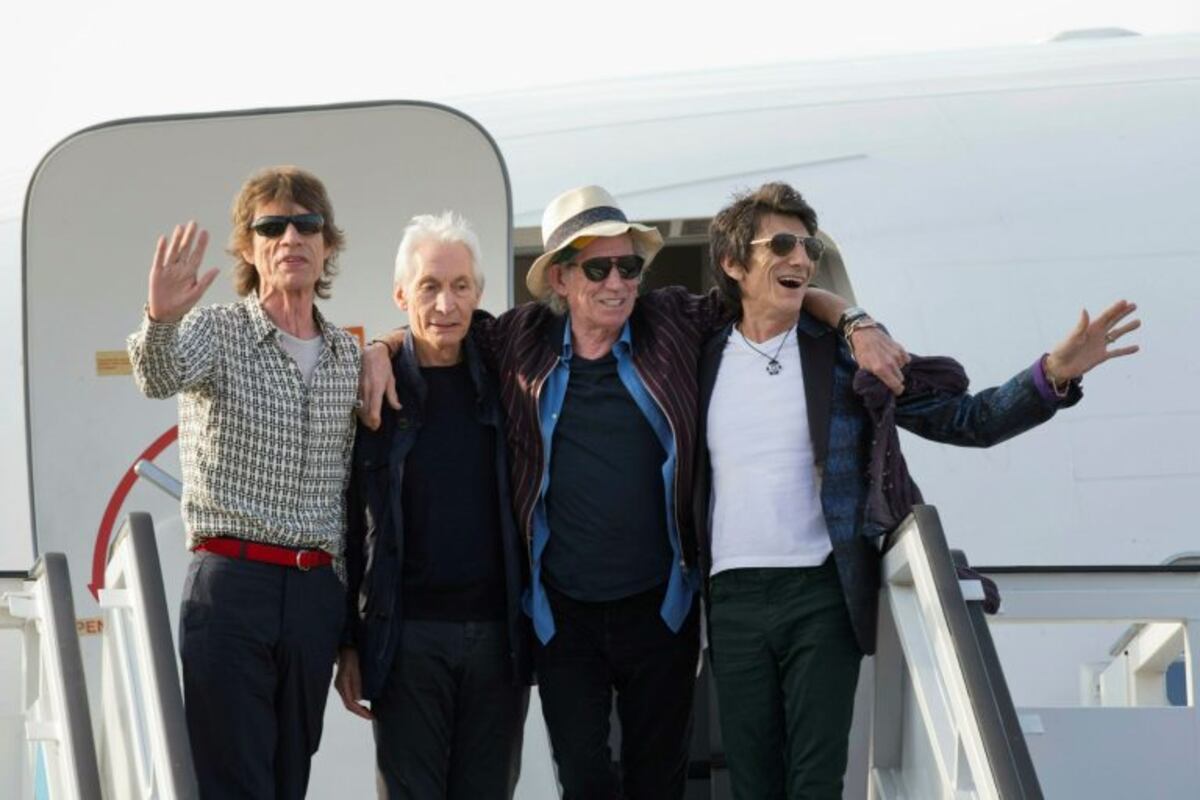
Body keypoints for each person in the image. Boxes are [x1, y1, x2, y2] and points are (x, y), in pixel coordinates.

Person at [361, 185, 906, 799]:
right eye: (599, 267)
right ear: (562, 280)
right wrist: (383, 347)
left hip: (660, 606)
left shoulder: (671, 320)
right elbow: (440, 323)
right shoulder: (518, 340)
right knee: (586, 782)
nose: (618, 282)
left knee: (659, 781)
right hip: (563, 616)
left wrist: (855, 322)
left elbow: (773, 294)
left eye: (629, 266)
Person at [694, 181, 1141, 799]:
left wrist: (1052, 376)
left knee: (816, 779)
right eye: (784, 244)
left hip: (821, 590)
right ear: (734, 263)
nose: (801, 259)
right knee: (751, 781)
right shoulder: (697, 353)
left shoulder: (848, 360)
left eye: (810, 248)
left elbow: (966, 419)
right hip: (732, 594)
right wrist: (850, 313)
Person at [127, 166, 360, 799]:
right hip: (232, 587)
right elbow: (156, 372)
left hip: (315, 593)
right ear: (251, 248)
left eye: (306, 224)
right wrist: (161, 316)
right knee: (234, 783)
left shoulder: (348, 357)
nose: (291, 236)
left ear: (327, 244)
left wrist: (347, 632)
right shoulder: (216, 330)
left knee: (289, 780)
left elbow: (349, 498)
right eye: (272, 226)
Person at [334, 212, 532, 799]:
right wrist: (347, 640)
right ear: (401, 294)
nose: (445, 303)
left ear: (479, 294)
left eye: (460, 286)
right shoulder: (373, 389)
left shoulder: (510, 376)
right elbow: (346, 522)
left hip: (500, 638)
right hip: (406, 638)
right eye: (428, 286)